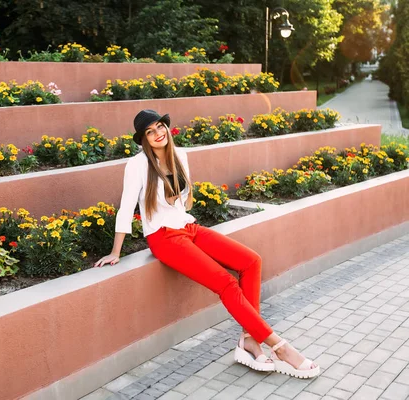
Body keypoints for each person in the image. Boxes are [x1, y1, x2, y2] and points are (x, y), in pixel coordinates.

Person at [94, 109, 320, 379]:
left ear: (167, 126)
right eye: (149, 132)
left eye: (160, 127)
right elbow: (126, 207)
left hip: (188, 227)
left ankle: (249, 339)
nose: (158, 134)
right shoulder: (138, 165)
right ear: (143, 139)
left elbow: (183, 201)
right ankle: (279, 347)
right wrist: (116, 251)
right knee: (225, 282)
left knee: (251, 261)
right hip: (163, 237)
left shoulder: (181, 156)